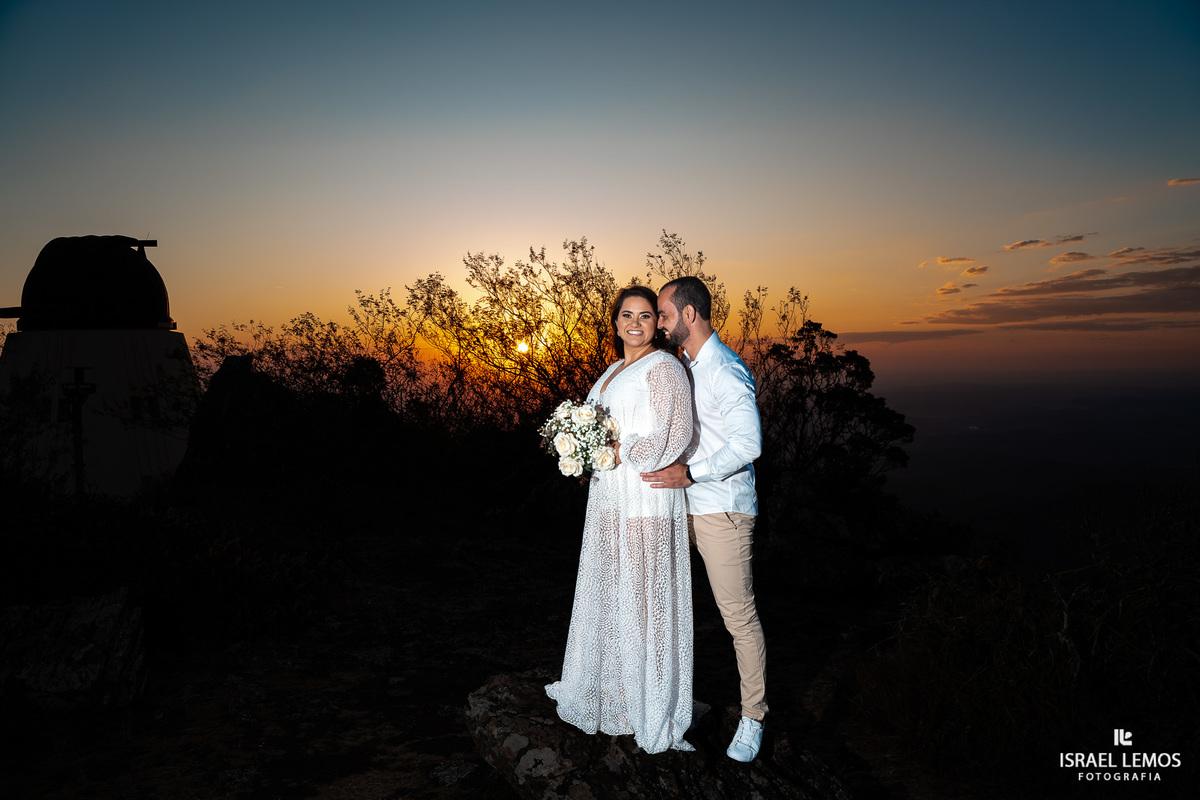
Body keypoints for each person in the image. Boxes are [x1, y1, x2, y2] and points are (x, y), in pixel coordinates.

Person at [545, 285, 696, 754]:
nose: (635, 323)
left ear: (657, 323)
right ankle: (616, 695)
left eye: (646, 315)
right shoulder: (611, 371)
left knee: (645, 597)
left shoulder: (666, 368)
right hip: (609, 499)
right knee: (615, 592)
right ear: (615, 322)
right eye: (627, 315)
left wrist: (620, 450)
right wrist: (583, 447)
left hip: (645, 498)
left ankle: (651, 703)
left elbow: (676, 433)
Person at [641, 275, 768, 762]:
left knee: (738, 617)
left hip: (723, 510)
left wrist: (691, 474)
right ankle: (675, 703)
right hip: (684, 507)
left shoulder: (726, 369)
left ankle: (753, 717)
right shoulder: (683, 365)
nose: (660, 323)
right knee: (673, 609)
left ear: (689, 315)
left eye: (666, 314)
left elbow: (749, 444)